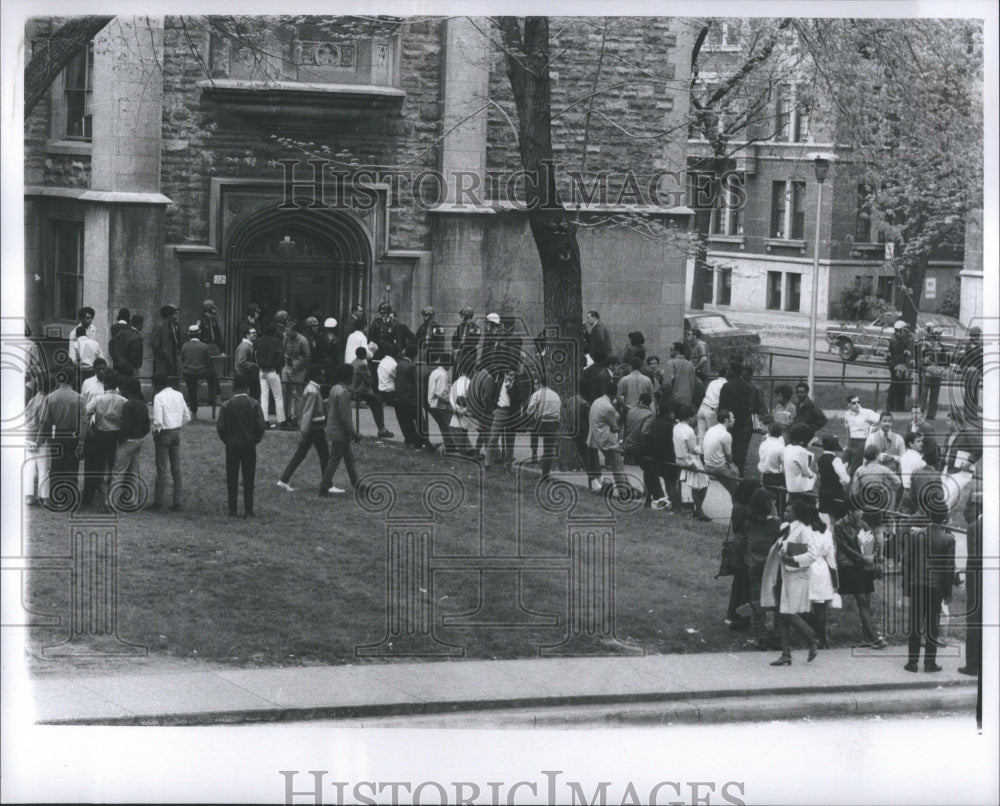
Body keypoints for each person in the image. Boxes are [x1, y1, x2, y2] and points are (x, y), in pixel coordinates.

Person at [899, 503, 955, 673]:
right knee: (932, 626)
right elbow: (949, 567)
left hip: (917, 584)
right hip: (936, 587)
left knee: (915, 624)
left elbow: (907, 562)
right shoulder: (948, 539)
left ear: (928, 516)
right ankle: (930, 663)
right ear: (945, 518)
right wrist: (948, 592)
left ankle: (912, 662)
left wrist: (906, 588)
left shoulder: (917, 535)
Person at [767, 498, 822, 666]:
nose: (785, 513)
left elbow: (812, 555)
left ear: (797, 514)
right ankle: (786, 654)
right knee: (781, 614)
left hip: (796, 576)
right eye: (785, 510)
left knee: (787, 612)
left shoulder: (804, 530)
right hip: (783, 575)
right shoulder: (786, 528)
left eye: (789, 511)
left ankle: (811, 636)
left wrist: (792, 559)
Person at [833, 507, 887, 649]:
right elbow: (844, 547)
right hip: (849, 565)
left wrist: (873, 556)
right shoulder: (839, 526)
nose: (861, 513)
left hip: (864, 565)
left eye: (862, 511)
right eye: (858, 510)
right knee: (862, 600)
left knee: (866, 600)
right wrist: (863, 558)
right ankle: (875, 637)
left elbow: (873, 542)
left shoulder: (863, 524)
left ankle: (867, 637)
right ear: (850, 511)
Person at [216, 374, 265, 516]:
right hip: (249, 445)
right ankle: (249, 509)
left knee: (232, 477)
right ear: (247, 389)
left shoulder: (227, 405)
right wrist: (254, 439)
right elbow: (260, 426)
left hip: (232, 445)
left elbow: (220, 427)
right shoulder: (254, 404)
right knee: (249, 477)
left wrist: (227, 440)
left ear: (233, 388)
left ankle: (232, 509)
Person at [35, 372, 88, 503]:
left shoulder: (50, 397)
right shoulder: (80, 398)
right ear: (72, 380)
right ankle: (70, 498)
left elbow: (44, 422)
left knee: (57, 466)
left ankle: (56, 497)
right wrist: (81, 442)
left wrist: (39, 441)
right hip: (73, 435)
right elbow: (84, 422)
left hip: (56, 435)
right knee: (72, 467)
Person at [276, 366, 329, 492]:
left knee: (301, 454)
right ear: (316, 376)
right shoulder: (314, 391)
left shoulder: (311, 389)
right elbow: (308, 412)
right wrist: (304, 432)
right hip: (315, 429)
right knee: (324, 456)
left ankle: (284, 479)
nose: (324, 376)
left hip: (312, 428)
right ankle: (327, 483)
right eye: (322, 374)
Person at [744, 488, 781, 650]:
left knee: (758, 600)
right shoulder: (774, 524)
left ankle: (759, 636)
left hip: (754, 564)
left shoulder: (749, 522)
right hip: (771, 566)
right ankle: (778, 634)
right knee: (777, 600)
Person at [318, 363, 363, 496]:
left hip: (334, 429)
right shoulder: (344, 393)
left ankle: (358, 485)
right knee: (335, 460)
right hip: (340, 432)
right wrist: (354, 433)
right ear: (348, 377)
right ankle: (324, 486)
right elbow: (345, 417)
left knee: (348, 460)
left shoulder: (334, 389)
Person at [82, 372, 126, 507]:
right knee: (115, 467)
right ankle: (115, 497)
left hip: (100, 435)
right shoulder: (124, 401)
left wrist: (89, 430)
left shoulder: (98, 399)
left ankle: (88, 497)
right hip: (115, 435)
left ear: (105, 384)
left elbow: (85, 413)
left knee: (94, 466)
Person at [150, 371, 190, 511]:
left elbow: (158, 421)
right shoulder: (178, 395)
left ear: (156, 384)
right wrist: (177, 424)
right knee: (176, 469)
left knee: (162, 469)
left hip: (164, 432)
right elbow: (187, 416)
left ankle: (158, 501)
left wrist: (155, 432)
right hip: (175, 432)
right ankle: (177, 501)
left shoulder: (158, 397)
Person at [850, 444, 901, 552]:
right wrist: (886, 489)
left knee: (865, 528)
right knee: (878, 529)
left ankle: (866, 552)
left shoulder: (860, 470)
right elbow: (897, 481)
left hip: (865, 502)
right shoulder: (883, 469)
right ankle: (881, 555)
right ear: (877, 456)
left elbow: (855, 489)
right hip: (879, 501)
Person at [110, 377, 149, 509]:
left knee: (118, 471)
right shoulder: (143, 405)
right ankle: (133, 500)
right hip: (138, 440)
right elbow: (146, 427)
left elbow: (125, 426)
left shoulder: (128, 405)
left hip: (127, 440)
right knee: (134, 471)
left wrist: (120, 439)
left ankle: (112, 502)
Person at [587, 378, 628, 497]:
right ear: (615, 394)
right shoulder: (609, 407)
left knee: (617, 464)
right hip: (607, 440)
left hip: (595, 437)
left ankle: (626, 488)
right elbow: (615, 427)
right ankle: (624, 492)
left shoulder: (597, 401)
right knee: (618, 466)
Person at [808, 502, 838, 649]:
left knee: (802, 605)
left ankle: (814, 633)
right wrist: (835, 581)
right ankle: (821, 637)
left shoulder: (804, 531)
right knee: (820, 606)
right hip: (823, 570)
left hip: (808, 567)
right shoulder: (826, 532)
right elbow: (831, 558)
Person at [637, 401, 677, 511]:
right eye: (672, 413)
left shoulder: (654, 423)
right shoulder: (670, 426)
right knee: (673, 479)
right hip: (667, 457)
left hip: (653, 455)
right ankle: (675, 502)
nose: (673, 416)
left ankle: (649, 498)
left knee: (650, 473)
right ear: (668, 414)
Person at [673, 404, 710, 521]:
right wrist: (700, 443)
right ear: (690, 417)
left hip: (679, 459)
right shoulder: (689, 430)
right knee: (704, 483)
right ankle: (699, 510)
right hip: (690, 461)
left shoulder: (676, 427)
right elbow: (694, 449)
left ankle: (697, 510)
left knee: (696, 484)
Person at [525, 370, 562, 479]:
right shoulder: (556, 395)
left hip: (542, 422)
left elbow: (529, 410)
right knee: (548, 449)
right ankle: (546, 473)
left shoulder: (536, 394)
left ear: (540, 383)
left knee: (533, 431)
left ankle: (534, 454)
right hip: (553, 423)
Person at [718, 363, 754, 473]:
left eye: (729, 370)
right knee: (740, 448)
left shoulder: (726, 386)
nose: (727, 372)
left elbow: (722, 405)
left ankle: (730, 469)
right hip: (742, 421)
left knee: (729, 447)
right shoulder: (748, 387)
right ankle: (739, 471)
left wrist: (720, 420)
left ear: (733, 371)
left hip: (728, 421)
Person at [351, 346, 394, 439]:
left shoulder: (353, 362)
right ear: (364, 355)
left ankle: (381, 428)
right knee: (378, 400)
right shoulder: (362, 364)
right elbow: (370, 380)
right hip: (358, 391)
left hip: (354, 389)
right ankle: (382, 429)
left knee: (375, 400)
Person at [23, 374, 51, 507]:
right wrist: (39, 441)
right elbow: (44, 423)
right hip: (39, 438)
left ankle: (28, 496)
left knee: (29, 467)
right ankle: (44, 496)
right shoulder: (46, 401)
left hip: (28, 435)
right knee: (43, 468)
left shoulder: (33, 400)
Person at [702, 408, 740, 499]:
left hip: (707, 465)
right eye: (732, 418)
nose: (734, 419)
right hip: (718, 467)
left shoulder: (711, 429)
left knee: (732, 474)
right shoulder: (726, 435)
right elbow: (729, 458)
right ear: (727, 420)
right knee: (737, 486)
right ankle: (737, 503)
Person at [393, 343, 425, 449]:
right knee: (420, 421)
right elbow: (416, 384)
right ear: (415, 355)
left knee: (406, 422)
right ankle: (422, 442)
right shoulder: (411, 367)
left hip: (400, 398)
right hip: (410, 399)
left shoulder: (399, 364)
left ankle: (411, 441)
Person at [256, 322, 286, 429]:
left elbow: (256, 355)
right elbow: (280, 357)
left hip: (262, 371)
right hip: (272, 370)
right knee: (278, 397)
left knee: (264, 397)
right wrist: (277, 367)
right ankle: (281, 420)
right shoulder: (277, 342)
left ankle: (264, 421)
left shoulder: (259, 341)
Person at [816, 435, 850, 526]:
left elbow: (821, 475)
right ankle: (836, 539)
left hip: (823, 492)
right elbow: (846, 480)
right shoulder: (836, 460)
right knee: (837, 521)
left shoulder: (819, 459)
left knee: (832, 521)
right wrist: (845, 470)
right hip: (835, 493)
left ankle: (833, 538)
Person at [283, 319, 312, 425]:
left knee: (297, 394)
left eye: (289, 332)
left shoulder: (303, 340)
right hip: (287, 367)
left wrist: (298, 368)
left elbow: (307, 357)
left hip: (299, 369)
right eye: (286, 331)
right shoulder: (286, 337)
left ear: (295, 331)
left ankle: (298, 417)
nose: (287, 334)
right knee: (285, 392)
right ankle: (286, 416)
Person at [843, 394, 880, 475]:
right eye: (854, 403)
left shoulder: (866, 412)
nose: (857, 404)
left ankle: (853, 483)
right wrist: (847, 445)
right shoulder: (847, 414)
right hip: (851, 441)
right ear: (849, 404)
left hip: (862, 442)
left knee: (855, 466)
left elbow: (880, 420)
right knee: (844, 463)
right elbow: (847, 430)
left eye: (858, 402)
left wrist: (872, 429)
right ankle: (845, 481)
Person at [180, 324, 211, 419]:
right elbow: (207, 361)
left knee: (191, 390)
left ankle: (193, 412)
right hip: (201, 371)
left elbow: (182, 359)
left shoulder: (184, 346)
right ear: (199, 334)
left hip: (188, 371)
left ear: (189, 334)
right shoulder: (205, 346)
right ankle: (213, 397)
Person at [448, 351, 476, 457]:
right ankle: (466, 450)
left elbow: (451, 396)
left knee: (460, 428)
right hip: (465, 410)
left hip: (456, 408)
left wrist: (455, 408)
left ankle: (467, 449)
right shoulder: (469, 383)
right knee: (464, 429)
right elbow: (470, 398)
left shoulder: (456, 382)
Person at [783, 422, 817, 504]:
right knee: (814, 477)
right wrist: (813, 475)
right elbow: (805, 471)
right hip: (800, 488)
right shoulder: (802, 452)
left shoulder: (788, 448)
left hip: (790, 485)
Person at [661, 341, 698, 412]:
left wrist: (663, 397)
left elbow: (668, 383)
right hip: (687, 401)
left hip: (673, 401)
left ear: (677, 351)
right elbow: (693, 383)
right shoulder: (690, 365)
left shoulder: (671, 362)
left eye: (671, 349)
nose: (670, 351)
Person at [151, 305, 182, 387]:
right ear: (169, 316)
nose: (175, 316)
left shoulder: (172, 326)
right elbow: (155, 344)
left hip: (171, 360)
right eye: (173, 314)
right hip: (163, 361)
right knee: (160, 384)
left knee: (172, 382)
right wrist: (164, 358)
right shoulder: (159, 326)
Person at [757, 422, 786, 510]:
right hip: (776, 477)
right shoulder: (781, 447)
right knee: (779, 502)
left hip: (764, 475)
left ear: (769, 432)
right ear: (781, 434)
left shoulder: (763, 444)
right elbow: (784, 467)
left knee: (765, 501)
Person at [697, 366, 727, 445]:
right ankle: (709, 454)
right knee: (712, 435)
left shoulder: (713, 382)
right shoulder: (725, 384)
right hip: (711, 410)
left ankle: (701, 453)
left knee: (701, 435)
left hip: (702, 407)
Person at [886, 321, 911, 412]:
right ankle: (891, 406)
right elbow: (896, 355)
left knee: (901, 386)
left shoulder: (898, 338)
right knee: (895, 385)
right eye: (904, 330)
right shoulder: (895, 341)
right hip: (896, 366)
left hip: (899, 365)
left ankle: (900, 406)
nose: (905, 332)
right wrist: (904, 354)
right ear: (900, 330)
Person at [234, 325, 260, 401]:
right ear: (247, 335)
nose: (255, 334)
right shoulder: (245, 347)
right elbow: (241, 362)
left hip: (247, 374)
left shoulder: (249, 345)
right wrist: (255, 365)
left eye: (255, 332)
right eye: (252, 333)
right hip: (244, 374)